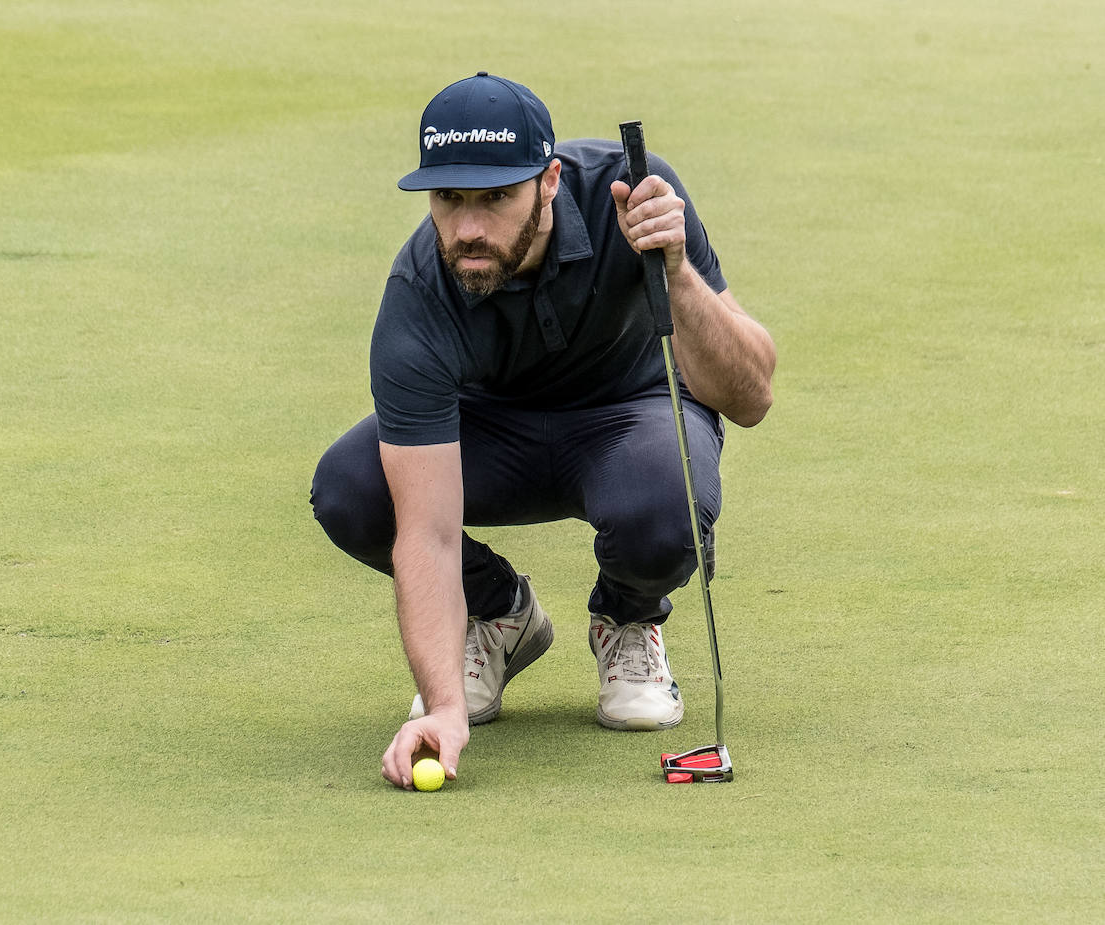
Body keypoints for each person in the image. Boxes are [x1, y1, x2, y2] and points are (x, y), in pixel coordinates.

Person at [310, 73, 776, 790]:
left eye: (495, 197)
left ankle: (627, 617)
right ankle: (497, 616)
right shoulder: (418, 295)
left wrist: (677, 274)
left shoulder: (634, 195)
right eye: (449, 198)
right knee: (352, 487)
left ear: (550, 180)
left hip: (634, 414)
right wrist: (443, 709)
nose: (467, 227)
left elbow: (751, 394)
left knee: (661, 503)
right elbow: (428, 532)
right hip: (492, 434)